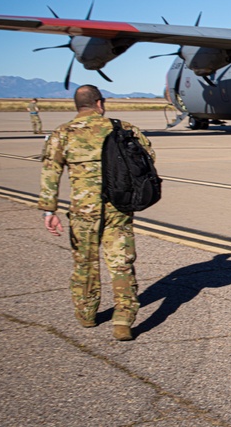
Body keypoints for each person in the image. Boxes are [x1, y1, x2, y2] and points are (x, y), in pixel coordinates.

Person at [39, 84, 154, 341]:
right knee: (121, 263)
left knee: (85, 264)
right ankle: (123, 320)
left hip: (83, 211)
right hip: (118, 207)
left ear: (77, 106)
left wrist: (49, 210)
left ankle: (87, 314)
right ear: (99, 103)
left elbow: (51, 172)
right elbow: (147, 158)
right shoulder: (122, 128)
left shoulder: (63, 133)